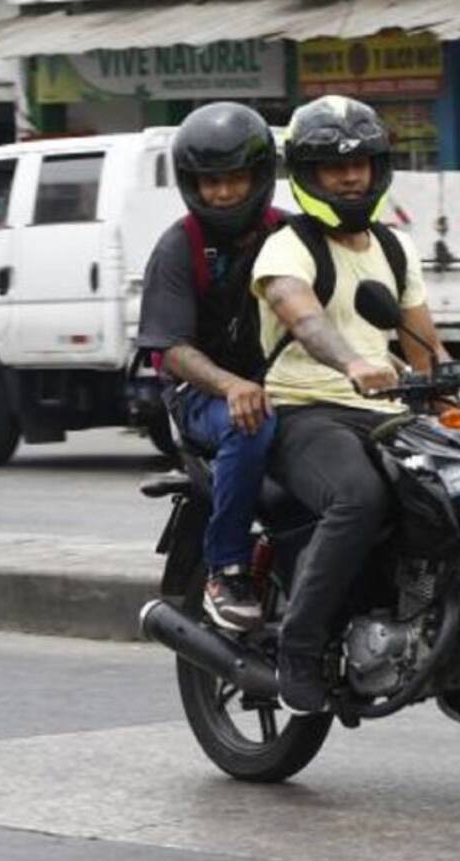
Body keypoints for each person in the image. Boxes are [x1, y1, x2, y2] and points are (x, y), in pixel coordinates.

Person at [252, 95, 460, 719]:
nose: (350, 177)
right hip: (303, 410)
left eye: (361, 164)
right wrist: (351, 362)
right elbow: (303, 316)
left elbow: (423, 345)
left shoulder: (393, 248)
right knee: (358, 496)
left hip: (386, 414)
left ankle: (447, 643)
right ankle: (299, 647)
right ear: (306, 174)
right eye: (332, 167)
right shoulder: (286, 248)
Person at [137, 102, 284, 633]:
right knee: (252, 420)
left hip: (283, 383)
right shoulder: (181, 246)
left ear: (260, 177)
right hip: (203, 395)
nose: (221, 193)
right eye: (209, 181)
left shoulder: (289, 236)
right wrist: (231, 385)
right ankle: (227, 567)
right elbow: (170, 347)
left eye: (234, 179)